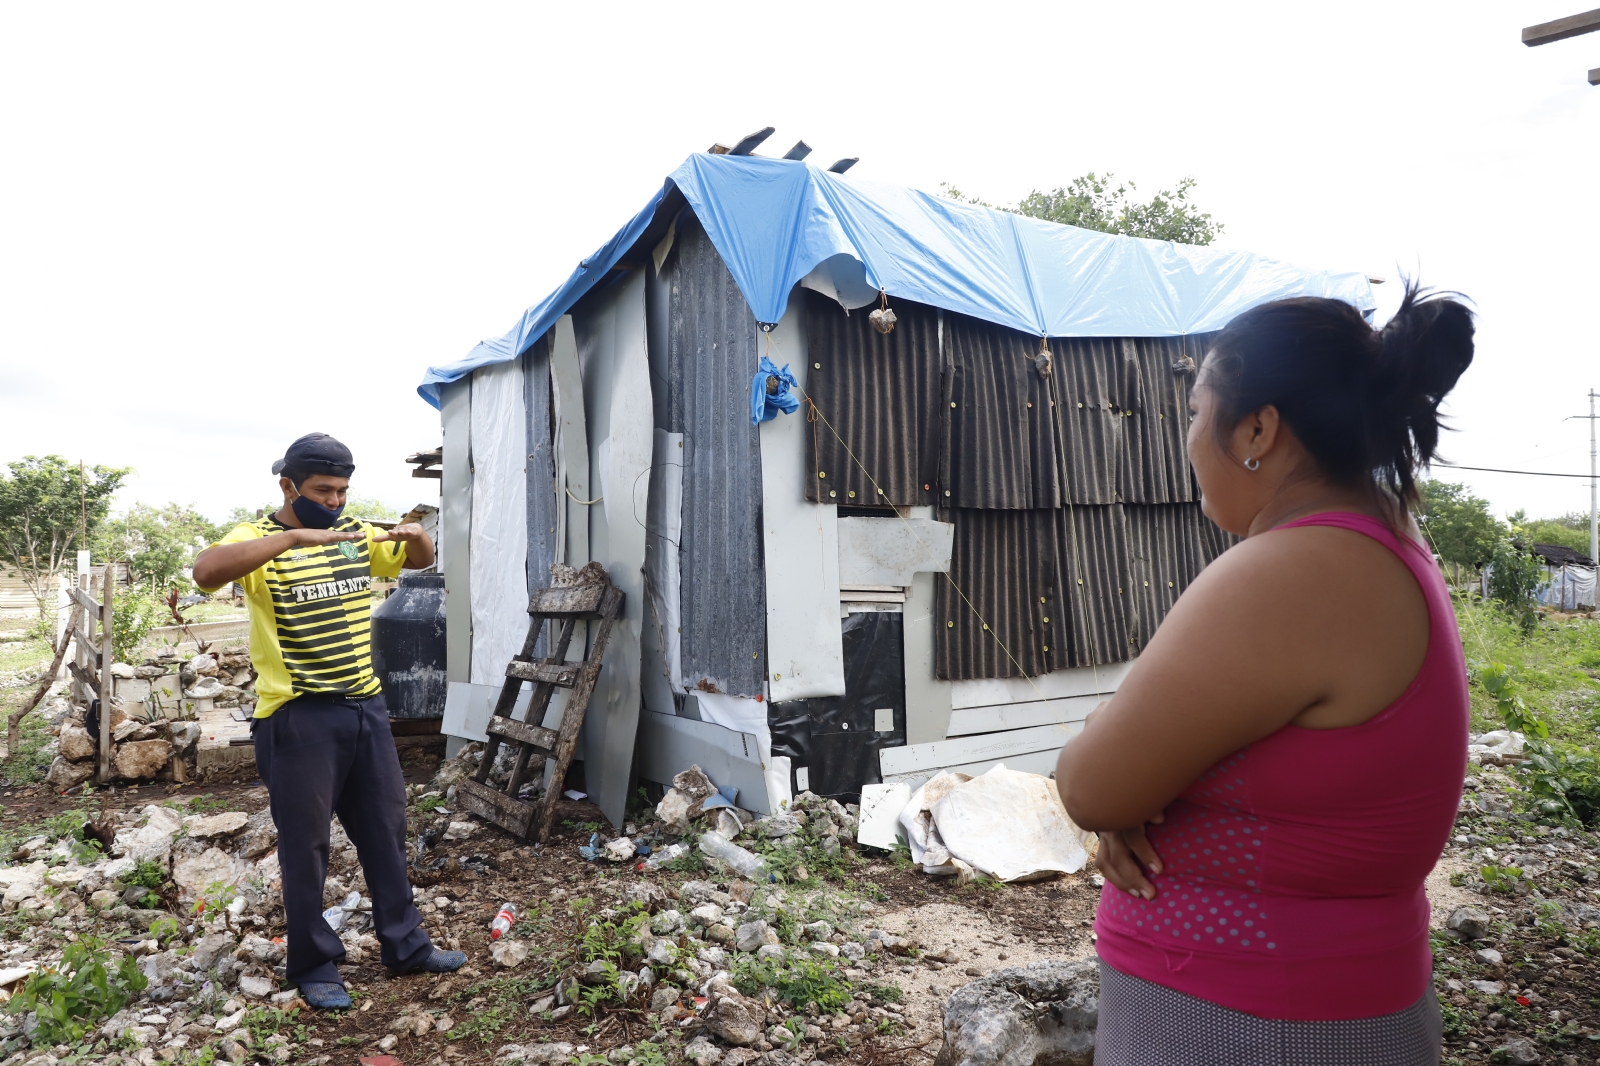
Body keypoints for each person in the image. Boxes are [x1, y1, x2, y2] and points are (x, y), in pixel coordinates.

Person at [1056, 283, 1475, 1065]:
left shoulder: (1292, 569)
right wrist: (1131, 776)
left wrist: (1124, 778)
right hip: (1315, 1006)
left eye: (1193, 409)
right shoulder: (1383, 540)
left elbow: (1091, 785)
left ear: (1256, 428)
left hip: (1250, 1020)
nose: (1187, 438)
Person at [193, 432, 464, 1010]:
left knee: (387, 831)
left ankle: (406, 947)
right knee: (306, 844)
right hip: (297, 717)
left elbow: (418, 561)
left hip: (365, 708)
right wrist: (293, 537)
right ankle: (314, 963)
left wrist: (418, 538)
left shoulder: (353, 533)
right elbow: (205, 572)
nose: (336, 501)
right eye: (324, 490)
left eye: (343, 490)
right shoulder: (258, 540)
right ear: (288, 485)